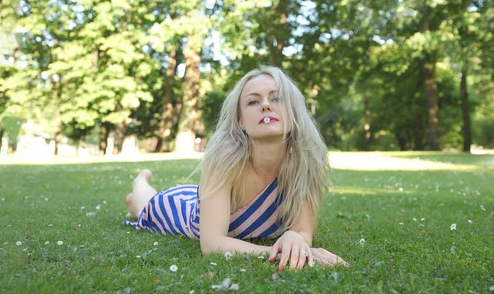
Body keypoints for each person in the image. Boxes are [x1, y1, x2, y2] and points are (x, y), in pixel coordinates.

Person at [124, 66, 348, 270]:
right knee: (142, 205)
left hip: (207, 198)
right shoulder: (224, 159)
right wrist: (277, 253)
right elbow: (211, 244)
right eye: (253, 102)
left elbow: (303, 232)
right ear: (241, 121)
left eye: (277, 98)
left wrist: (295, 240)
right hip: (183, 210)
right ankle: (140, 182)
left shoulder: (306, 164)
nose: (266, 105)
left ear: (292, 112)